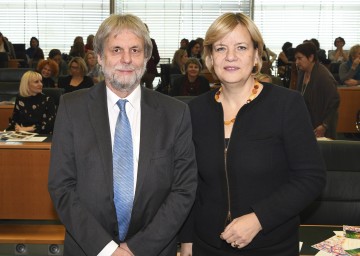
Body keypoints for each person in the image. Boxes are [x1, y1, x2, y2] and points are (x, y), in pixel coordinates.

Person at [48, 13, 197, 256]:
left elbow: (184, 189)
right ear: (99, 56)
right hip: (89, 248)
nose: (126, 59)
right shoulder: (71, 108)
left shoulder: (175, 113)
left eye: (135, 50)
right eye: (116, 49)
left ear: (146, 57)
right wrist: (108, 250)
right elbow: (61, 187)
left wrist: (137, 248)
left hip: (153, 249)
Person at [179, 12, 326, 256]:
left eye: (241, 47)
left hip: (270, 244)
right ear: (210, 57)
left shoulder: (287, 105)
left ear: (256, 55)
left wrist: (259, 218)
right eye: (221, 48)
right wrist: (186, 241)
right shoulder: (193, 111)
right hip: (207, 246)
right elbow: (187, 184)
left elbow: (311, 178)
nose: (230, 56)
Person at [295, 42, 340, 139]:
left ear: (311, 57)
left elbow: (334, 102)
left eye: (299, 58)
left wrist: (325, 125)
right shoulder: (302, 73)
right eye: (296, 59)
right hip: (307, 123)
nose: (297, 62)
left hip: (321, 126)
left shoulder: (324, 76)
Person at [141, 24, 160, 89]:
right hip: (150, 70)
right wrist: (152, 64)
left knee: (138, 90)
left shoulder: (134, 41)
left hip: (139, 69)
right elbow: (157, 57)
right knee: (149, 88)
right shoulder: (151, 41)